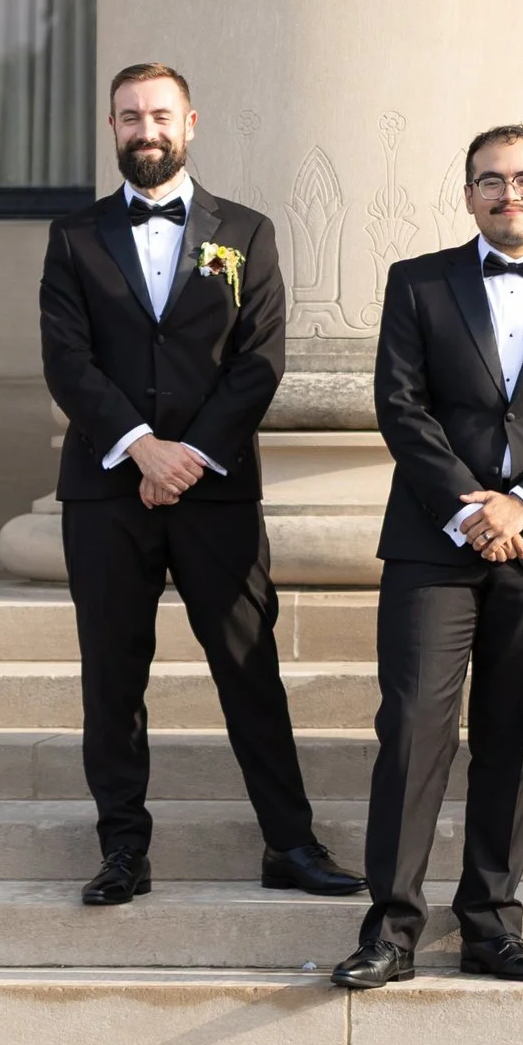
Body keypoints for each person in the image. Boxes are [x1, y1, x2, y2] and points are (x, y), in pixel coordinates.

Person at [39, 59, 359, 911]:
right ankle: (122, 850)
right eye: (130, 117)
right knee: (113, 676)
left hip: (215, 491)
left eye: (161, 116)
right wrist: (142, 448)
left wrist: (189, 458)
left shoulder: (246, 232)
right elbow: (67, 361)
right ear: (112, 129)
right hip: (108, 491)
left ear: (191, 124)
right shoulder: (72, 236)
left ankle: (290, 844)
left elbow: (260, 361)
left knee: (248, 670)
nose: (147, 131)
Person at [334, 125, 523, 989]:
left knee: (513, 738)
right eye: (492, 180)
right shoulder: (417, 284)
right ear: (467, 194)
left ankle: (491, 926)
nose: (511, 193)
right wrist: (471, 508)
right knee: (415, 731)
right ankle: (389, 930)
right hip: (437, 544)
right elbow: (402, 405)